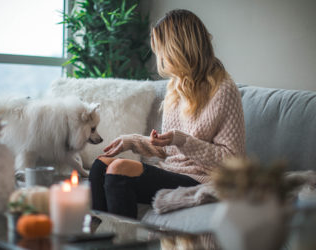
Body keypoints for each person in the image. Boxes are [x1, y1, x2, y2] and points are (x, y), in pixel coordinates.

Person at [88, 9, 245, 219]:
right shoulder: (176, 85)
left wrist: (182, 140)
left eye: (162, 50)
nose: (159, 56)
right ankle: (99, 238)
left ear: (178, 49)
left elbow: (232, 160)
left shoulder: (223, 89)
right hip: (171, 171)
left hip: (204, 179)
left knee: (120, 169)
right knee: (100, 165)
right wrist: (132, 141)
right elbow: (170, 149)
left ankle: (125, 243)